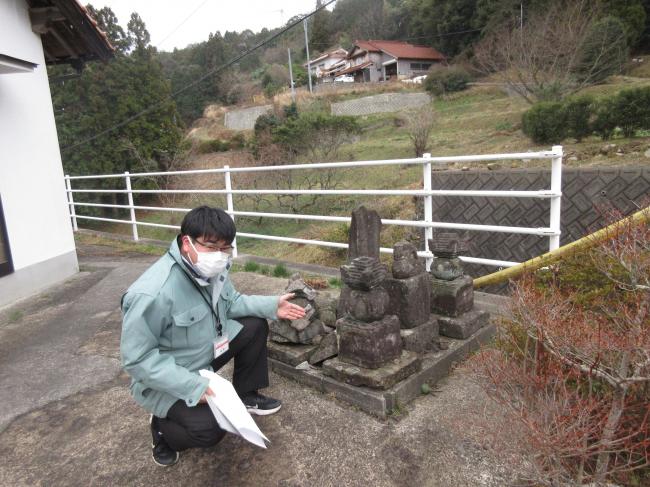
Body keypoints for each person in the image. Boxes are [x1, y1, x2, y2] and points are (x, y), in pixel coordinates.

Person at [120, 206, 305, 467]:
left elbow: (232, 303)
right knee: (210, 429)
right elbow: (137, 360)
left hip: (205, 354)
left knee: (253, 325)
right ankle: (162, 429)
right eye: (210, 246)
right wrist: (192, 387)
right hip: (168, 378)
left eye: (225, 248)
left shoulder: (210, 269)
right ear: (187, 243)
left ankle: (246, 394)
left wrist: (272, 306)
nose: (219, 255)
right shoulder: (152, 293)